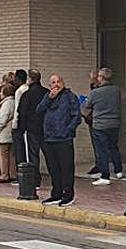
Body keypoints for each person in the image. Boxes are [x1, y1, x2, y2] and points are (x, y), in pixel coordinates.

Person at [36, 74, 82, 206]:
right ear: (49, 85)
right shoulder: (47, 97)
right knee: (53, 168)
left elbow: (76, 116)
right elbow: (38, 111)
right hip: (49, 138)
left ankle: (68, 195)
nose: (56, 84)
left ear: (63, 82)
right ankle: (56, 194)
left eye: (58, 81)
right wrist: (49, 99)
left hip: (64, 138)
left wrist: (68, 130)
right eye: (53, 82)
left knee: (66, 168)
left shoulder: (70, 97)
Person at [81, 67, 123, 185]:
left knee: (102, 150)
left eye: (99, 76)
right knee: (113, 146)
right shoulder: (116, 90)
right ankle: (118, 170)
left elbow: (86, 107)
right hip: (114, 123)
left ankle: (105, 175)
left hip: (100, 125)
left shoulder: (95, 93)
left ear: (101, 78)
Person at [18, 70, 49, 189]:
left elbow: (22, 112)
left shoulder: (27, 94)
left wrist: (21, 129)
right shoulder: (46, 92)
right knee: (49, 154)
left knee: (33, 155)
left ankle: (36, 180)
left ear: (29, 79)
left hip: (32, 128)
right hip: (46, 128)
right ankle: (55, 177)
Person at [0, 84, 17, 183]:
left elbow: (2, 119)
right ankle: (12, 173)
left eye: (2, 92)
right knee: (11, 155)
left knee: (3, 155)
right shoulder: (15, 102)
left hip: (4, 133)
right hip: (11, 132)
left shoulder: (6, 104)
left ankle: (4, 175)